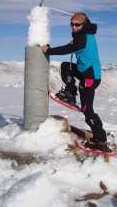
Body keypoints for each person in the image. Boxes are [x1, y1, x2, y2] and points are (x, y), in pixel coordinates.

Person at [42, 13, 112, 152]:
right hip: (84, 71)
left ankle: (100, 139)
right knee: (66, 66)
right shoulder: (85, 34)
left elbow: (66, 49)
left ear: (83, 24)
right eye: (72, 24)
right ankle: (70, 94)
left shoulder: (83, 39)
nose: (74, 27)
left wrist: (48, 50)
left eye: (77, 24)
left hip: (90, 78)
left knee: (87, 110)